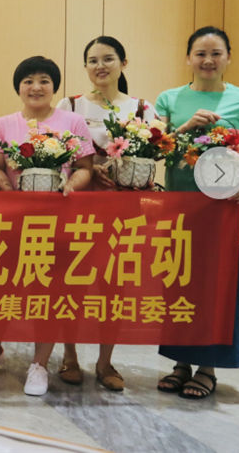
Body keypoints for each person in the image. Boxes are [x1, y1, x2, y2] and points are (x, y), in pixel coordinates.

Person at [154, 26, 239, 399]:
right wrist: (186, 127)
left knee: (219, 286)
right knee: (180, 281)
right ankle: (180, 363)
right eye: (200, 53)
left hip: (225, 210)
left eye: (216, 53)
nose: (208, 60)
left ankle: (208, 368)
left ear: (228, 57)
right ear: (188, 58)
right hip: (181, 206)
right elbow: (156, 150)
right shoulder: (169, 98)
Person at [55, 35, 159, 392]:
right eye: (93, 60)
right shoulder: (70, 105)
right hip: (78, 207)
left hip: (122, 211)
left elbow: (152, 154)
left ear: (123, 64)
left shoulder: (142, 108)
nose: (100, 66)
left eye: (108, 59)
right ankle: (69, 356)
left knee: (114, 286)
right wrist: (86, 169)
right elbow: (55, 153)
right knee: (71, 281)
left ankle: (105, 361)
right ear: (85, 66)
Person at [0, 55, 93, 397]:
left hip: (58, 222)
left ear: (54, 87)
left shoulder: (73, 122)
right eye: (28, 81)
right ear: (18, 87)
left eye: (44, 81)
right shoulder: (3, 124)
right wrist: (10, 194)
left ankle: (39, 364)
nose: (36, 87)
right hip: (13, 221)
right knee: (0, 286)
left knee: (49, 292)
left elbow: (85, 167)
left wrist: (70, 185)